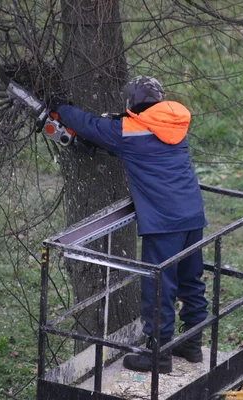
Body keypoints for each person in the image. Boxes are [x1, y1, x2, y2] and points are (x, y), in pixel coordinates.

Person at [49, 76, 208, 374]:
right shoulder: (174, 126)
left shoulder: (128, 131)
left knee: (158, 285)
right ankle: (192, 344)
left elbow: (90, 125)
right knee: (190, 281)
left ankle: (158, 355)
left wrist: (60, 108)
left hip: (163, 221)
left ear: (131, 104)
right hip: (192, 214)